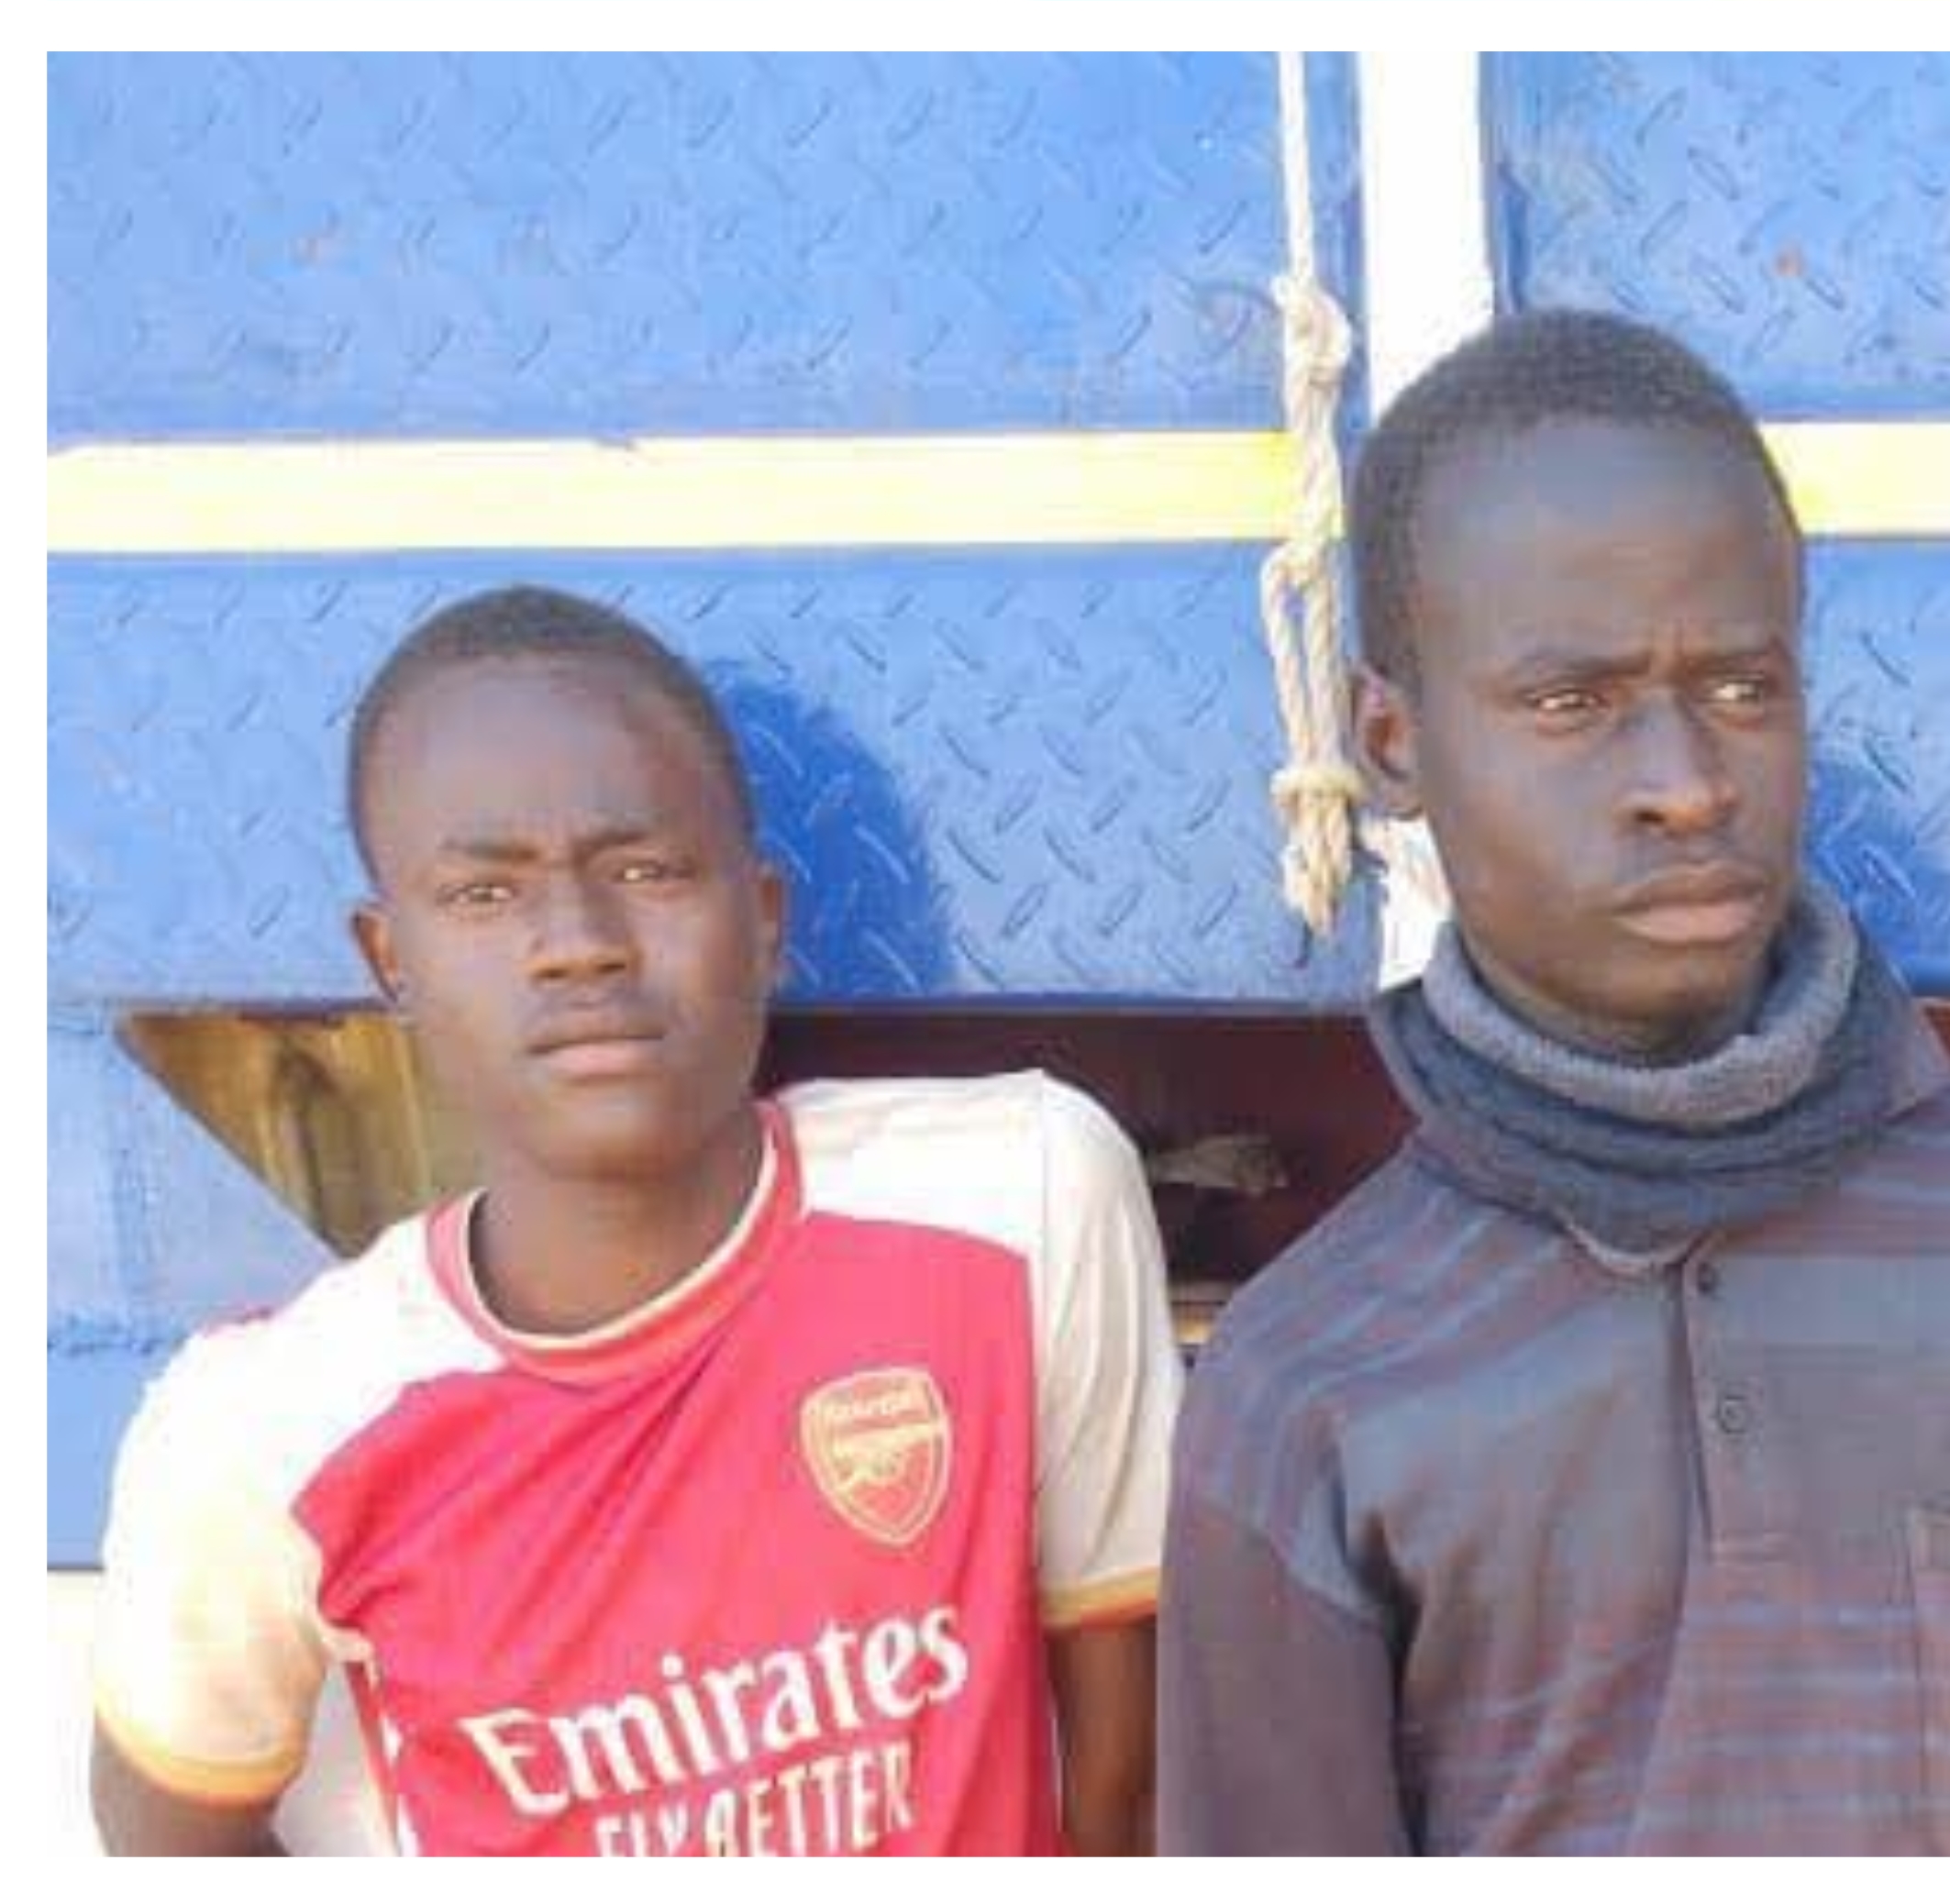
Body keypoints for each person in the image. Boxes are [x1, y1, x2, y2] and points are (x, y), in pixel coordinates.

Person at [1158, 310, 1950, 1854]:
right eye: (1572, 702)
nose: (1687, 782)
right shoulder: (1308, 1372)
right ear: (1390, 742)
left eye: (1739, 687)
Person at [87, 588, 1176, 1856]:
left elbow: (1130, 1776)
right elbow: (161, 1834)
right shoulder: (262, 1424)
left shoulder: (1017, 1194)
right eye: (485, 893)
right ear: (391, 960)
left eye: (645, 871)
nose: (578, 944)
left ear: (764, 920)